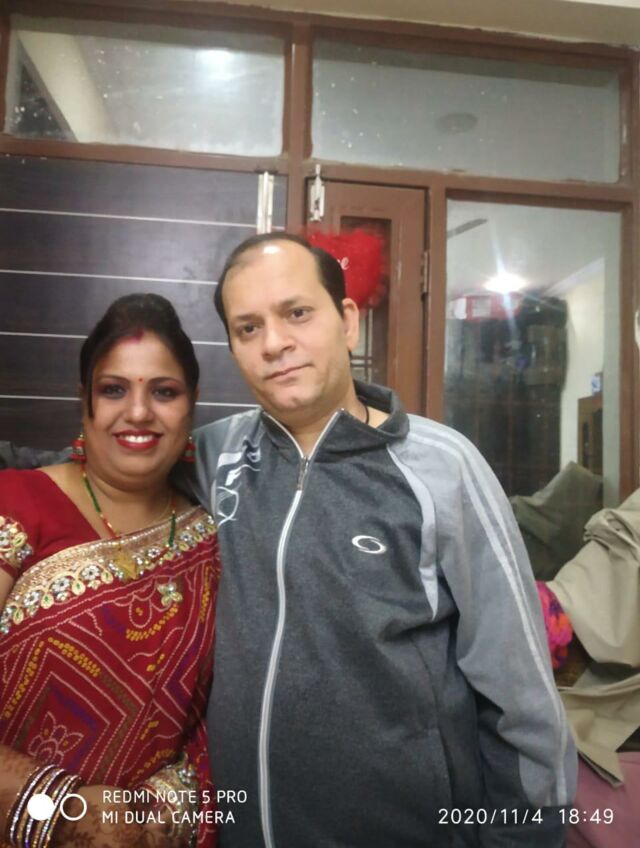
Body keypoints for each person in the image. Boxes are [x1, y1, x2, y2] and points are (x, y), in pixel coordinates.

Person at [178, 232, 577, 847]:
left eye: (296, 313)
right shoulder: (214, 457)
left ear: (347, 321)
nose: (274, 343)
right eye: (248, 328)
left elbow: (519, 694)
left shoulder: (443, 469)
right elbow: (103, 475)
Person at [0, 294, 219, 848]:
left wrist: (150, 817)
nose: (138, 413)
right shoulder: (15, 504)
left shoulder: (213, 541)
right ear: (85, 402)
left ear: (192, 404)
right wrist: (65, 813)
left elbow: (220, 726)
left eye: (164, 392)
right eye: (114, 389)